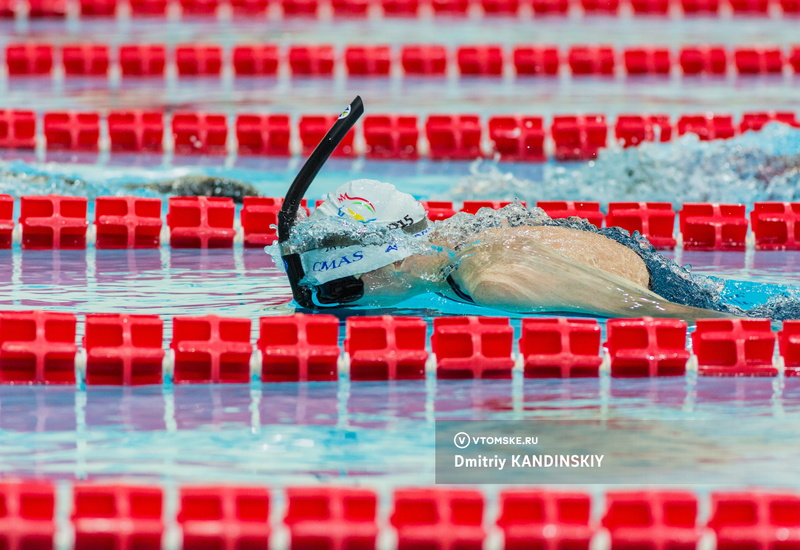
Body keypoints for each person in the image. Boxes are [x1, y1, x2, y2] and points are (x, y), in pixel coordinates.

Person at [281, 178, 800, 320]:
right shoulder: (457, 254)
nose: (339, 307)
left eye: (340, 295)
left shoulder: (496, 281)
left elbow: (669, 315)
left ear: (386, 263)